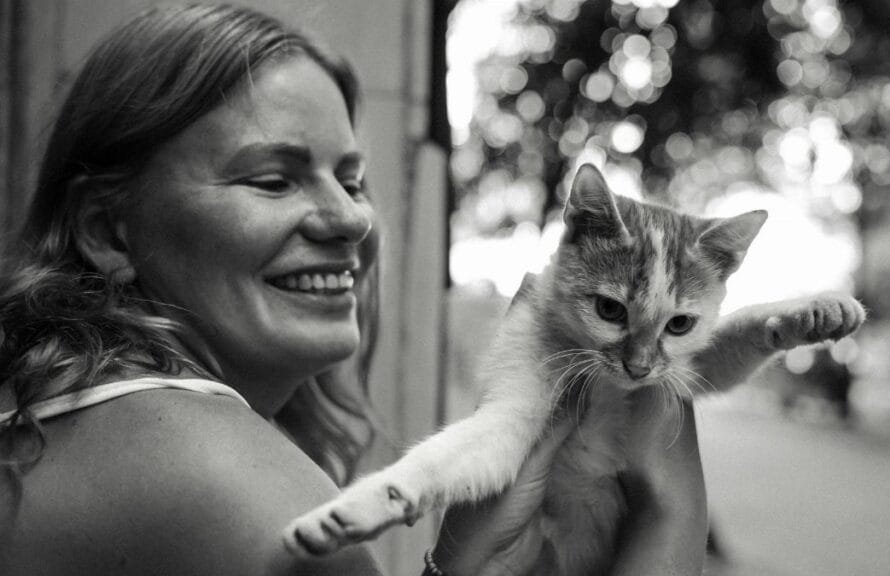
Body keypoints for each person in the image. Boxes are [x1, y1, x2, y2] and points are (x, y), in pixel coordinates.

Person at [0, 4, 708, 575]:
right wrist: (672, 517)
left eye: (351, 179)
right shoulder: (226, 479)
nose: (351, 219)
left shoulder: (56, 410)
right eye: (272, 179)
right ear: (109, 231)